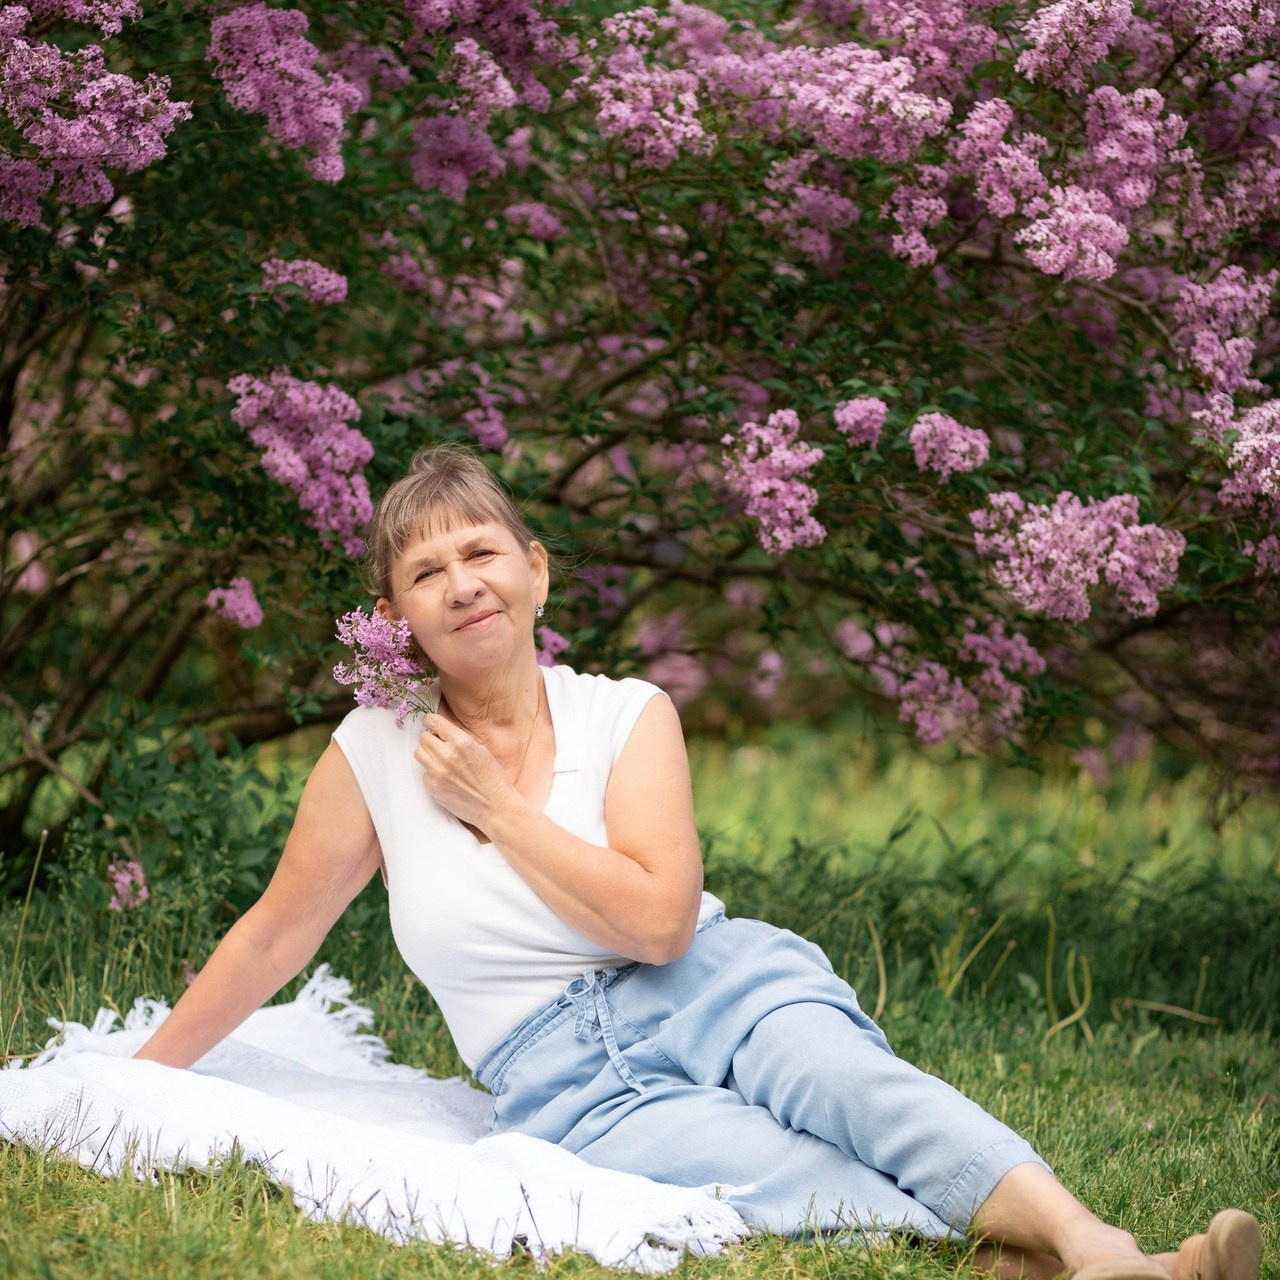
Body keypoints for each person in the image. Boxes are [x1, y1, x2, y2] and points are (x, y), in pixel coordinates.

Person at [135, 443, 1262, 1280]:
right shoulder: (373, 752)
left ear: (536, 572)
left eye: (481, 552)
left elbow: (659, 922)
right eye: (427, 573)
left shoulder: (627, 713)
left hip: (708, 981)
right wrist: (141, 1077)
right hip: (564, 1085)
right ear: (395, 617)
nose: (462, 582)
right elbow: (277, 932)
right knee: (790, 1183)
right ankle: (1106, 1267)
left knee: (858, 1092)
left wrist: (495, 808)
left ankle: (1094, 1245)